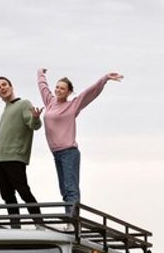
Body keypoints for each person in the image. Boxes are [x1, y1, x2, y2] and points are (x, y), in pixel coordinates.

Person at [37, 67, 124, 207]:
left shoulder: (73, 105)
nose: (58, 90)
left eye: (62, 88)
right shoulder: (50, 102)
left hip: (69, 152)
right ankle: (69, 219)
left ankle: (72, 221)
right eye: (57, 87)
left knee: (71, 189)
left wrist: (105, 79)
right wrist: (40, 73)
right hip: (56, 153)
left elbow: (89, 93)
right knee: (64, 190)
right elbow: (43, 87)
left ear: (69, 92)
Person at [0, 76, 43, 227]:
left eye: (4, 85)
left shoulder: (23, 104)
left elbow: (34, 126)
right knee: (7, 195)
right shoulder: (6, 110)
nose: (2, 88)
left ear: (11, 86)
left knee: (23, 191)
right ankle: (15, 227)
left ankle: (40, 224)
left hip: (15, 157)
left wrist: (35, 118)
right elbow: (4, 138)